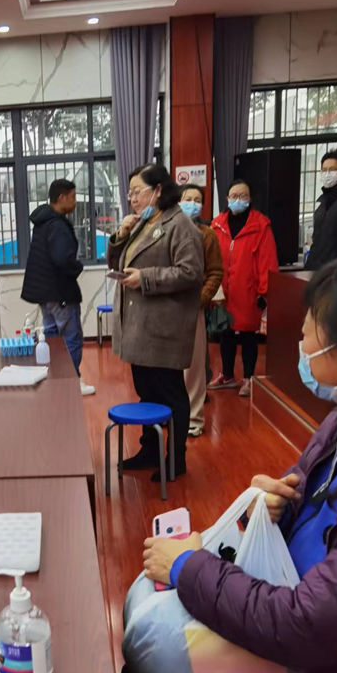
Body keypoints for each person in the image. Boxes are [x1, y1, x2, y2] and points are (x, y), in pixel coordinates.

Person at [125, 256, 337, 673]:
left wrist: (188, 568)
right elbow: (306, 493)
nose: (301, 339)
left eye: (311, 327)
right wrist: (273, 502)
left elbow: (303, 622)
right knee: (142, 672)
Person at [107, 164, 204, 480]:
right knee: (147, 393)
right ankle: (149, 451)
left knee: (171, 395)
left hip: (163, 330)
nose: (132, 198)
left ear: (158, 190)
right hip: (140, 328)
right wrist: (121, 236)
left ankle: (175, 459)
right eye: (130, 193)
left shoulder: (180, 225)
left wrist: (145, 278)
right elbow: (119, 261)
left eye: (138, 191)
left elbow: (191, 273)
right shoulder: (143, 223)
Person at [21, 178, 95, 395]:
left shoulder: (43, 222)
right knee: (71, 338)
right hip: (60, 292)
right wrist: (78, 267)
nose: (75, 202)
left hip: (45, 293)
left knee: (53, 338)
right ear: (61, 197)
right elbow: (62, 259)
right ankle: (72, 381)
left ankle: (57, 380)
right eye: (73, 197)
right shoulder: (57, 225)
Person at [208, 179, 278, 398]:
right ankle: (227, 375)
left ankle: (248, 377)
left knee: (249, 334)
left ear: (250, 199)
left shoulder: (261, 225)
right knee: (225, 332)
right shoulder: (217, 224)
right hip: (223, 290)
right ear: (227, 198)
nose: (238, 199)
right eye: (234, 196)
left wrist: (264, 292)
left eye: (243, 196)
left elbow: (267, 261)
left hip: (248, 290)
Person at [179, 185, 224, 437]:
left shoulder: (207, 235)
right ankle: (172, 414)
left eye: (197, 200)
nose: (192, 203)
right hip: (167, 307)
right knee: (170, 367)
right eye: (188, 198)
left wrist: (202, 298)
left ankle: (194, 418)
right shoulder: (168, 229)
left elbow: (215, 272)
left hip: (193, 306)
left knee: (194, 367)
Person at [305, 148, 337, 271]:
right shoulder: (324, 201)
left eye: (332, 170)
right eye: (324, 170)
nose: (327, 174)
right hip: (317, 268)